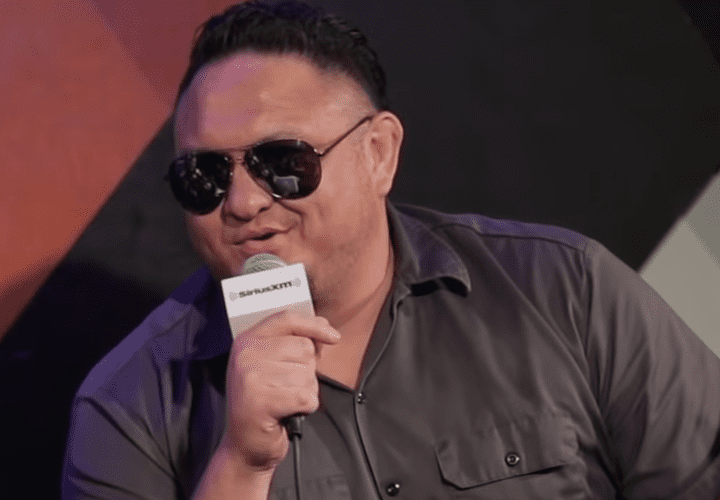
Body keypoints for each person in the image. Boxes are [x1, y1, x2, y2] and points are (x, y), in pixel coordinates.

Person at [61, 1, 720, 499]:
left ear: (378, 153)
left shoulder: (567, 291)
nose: (241, 202)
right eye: (204, 176)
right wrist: (240, 463)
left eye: (281, 160)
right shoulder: (129, 409)